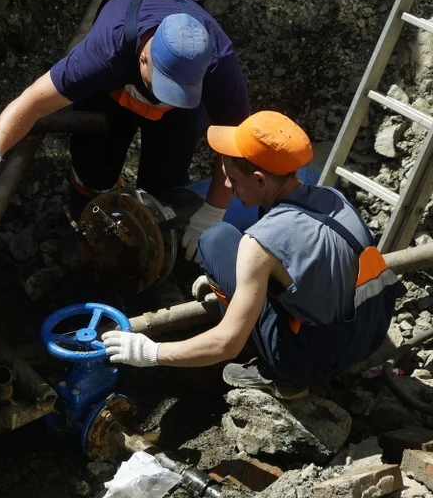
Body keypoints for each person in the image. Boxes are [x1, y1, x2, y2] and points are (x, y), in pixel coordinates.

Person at [100, 111, 405, 399]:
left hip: (314, 362)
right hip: (374, 330)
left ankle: (277, 374)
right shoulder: (332, 197)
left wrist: (150, 353)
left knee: (215, 240)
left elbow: (226, 343)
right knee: (223, 240)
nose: (228, 186)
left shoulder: (259, 244)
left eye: (231, 177)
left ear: (259, 180)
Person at [0, 0, 250, 261]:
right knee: (94, 164)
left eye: (177, 93)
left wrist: (213, 211)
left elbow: (237, 145)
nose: (166, 100)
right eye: (163, 88)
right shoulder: (105, 52)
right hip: (112, 91)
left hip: (179, 98)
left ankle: (158, 244)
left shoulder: (217, 61)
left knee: (167, 175)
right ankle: (89, 225)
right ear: (144, 58)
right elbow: (32, 102)